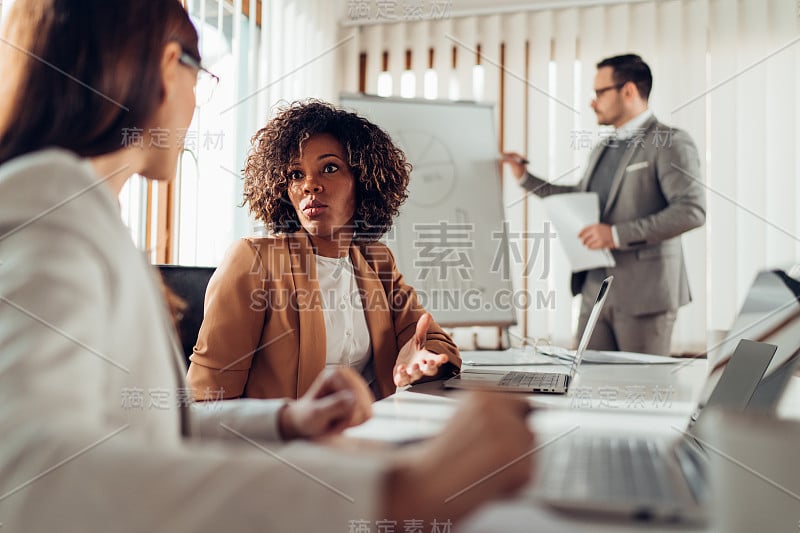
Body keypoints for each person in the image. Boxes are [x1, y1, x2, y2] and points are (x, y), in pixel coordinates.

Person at [0, 2, 534, 531]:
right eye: (201, 76)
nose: (195, 102)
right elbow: (34, 483)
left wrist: (286, 419)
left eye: (330, 169)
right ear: (167, 68)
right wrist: (397, 493)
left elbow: (160, 429)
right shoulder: (48, 230)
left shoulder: (83, 224)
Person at [187, 101, 460, 401]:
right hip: (282, 443)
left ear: (363, 180)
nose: (310, 185)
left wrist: (423, 360)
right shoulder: (255, 261)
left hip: (372, 433)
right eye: (295, 175)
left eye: (329, 168)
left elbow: (433, 339)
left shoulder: (377, 262)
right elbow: (207, 396)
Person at [503, 54, 705, 355]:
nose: (592, 102)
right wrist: (525, 178)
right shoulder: (602, 147)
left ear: (628, 91)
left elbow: (691, 211)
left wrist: (616, 234)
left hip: (645, 297)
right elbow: (579, 198)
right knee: (587, 389)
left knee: (640, 393)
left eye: (599, 92)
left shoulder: (670, 141)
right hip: (594, 291)